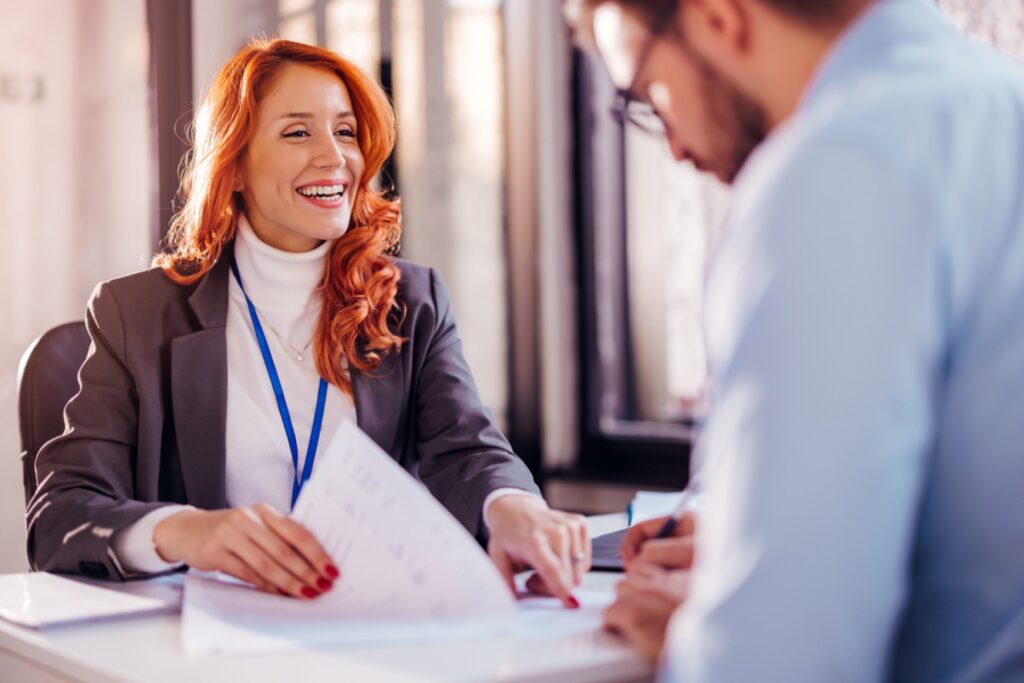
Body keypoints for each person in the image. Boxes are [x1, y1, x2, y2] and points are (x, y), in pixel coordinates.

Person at [25, 38, 589, 608]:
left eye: (345, 132)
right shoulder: (138, 316)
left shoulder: (412, 302)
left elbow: (468, 449)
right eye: (298, 132)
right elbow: (58, 515)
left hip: (370, 625)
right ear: (237, 164)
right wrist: (185, 531)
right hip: (204, 640)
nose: (334, 157)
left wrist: (515, 508)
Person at [567, 0, 1024, 679]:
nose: (675, 147)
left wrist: (705, 629)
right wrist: (762, 536)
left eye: (649, 95)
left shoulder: (836, 168)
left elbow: (783, 661)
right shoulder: (999, 99)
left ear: (719, 16)